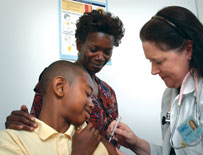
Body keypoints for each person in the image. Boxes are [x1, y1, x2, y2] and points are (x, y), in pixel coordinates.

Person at [107, 6, 203, 155]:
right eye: (150, 61)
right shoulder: (172, 94)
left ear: (188, 49)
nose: (153, 71)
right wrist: (136, 144)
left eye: (159, 61)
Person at [5, 9, 125, 139]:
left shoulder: (108, 93)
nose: (101, 57)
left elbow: (113, 138)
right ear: (79, 44)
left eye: (107, 52)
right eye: (94, 49)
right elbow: (38, 128)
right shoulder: (57, 78)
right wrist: (21, 124)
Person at [0, 60, 121, 155]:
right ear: (60, 87)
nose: (92, 104)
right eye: (87, 94)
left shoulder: (90, 139)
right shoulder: (13, 141)